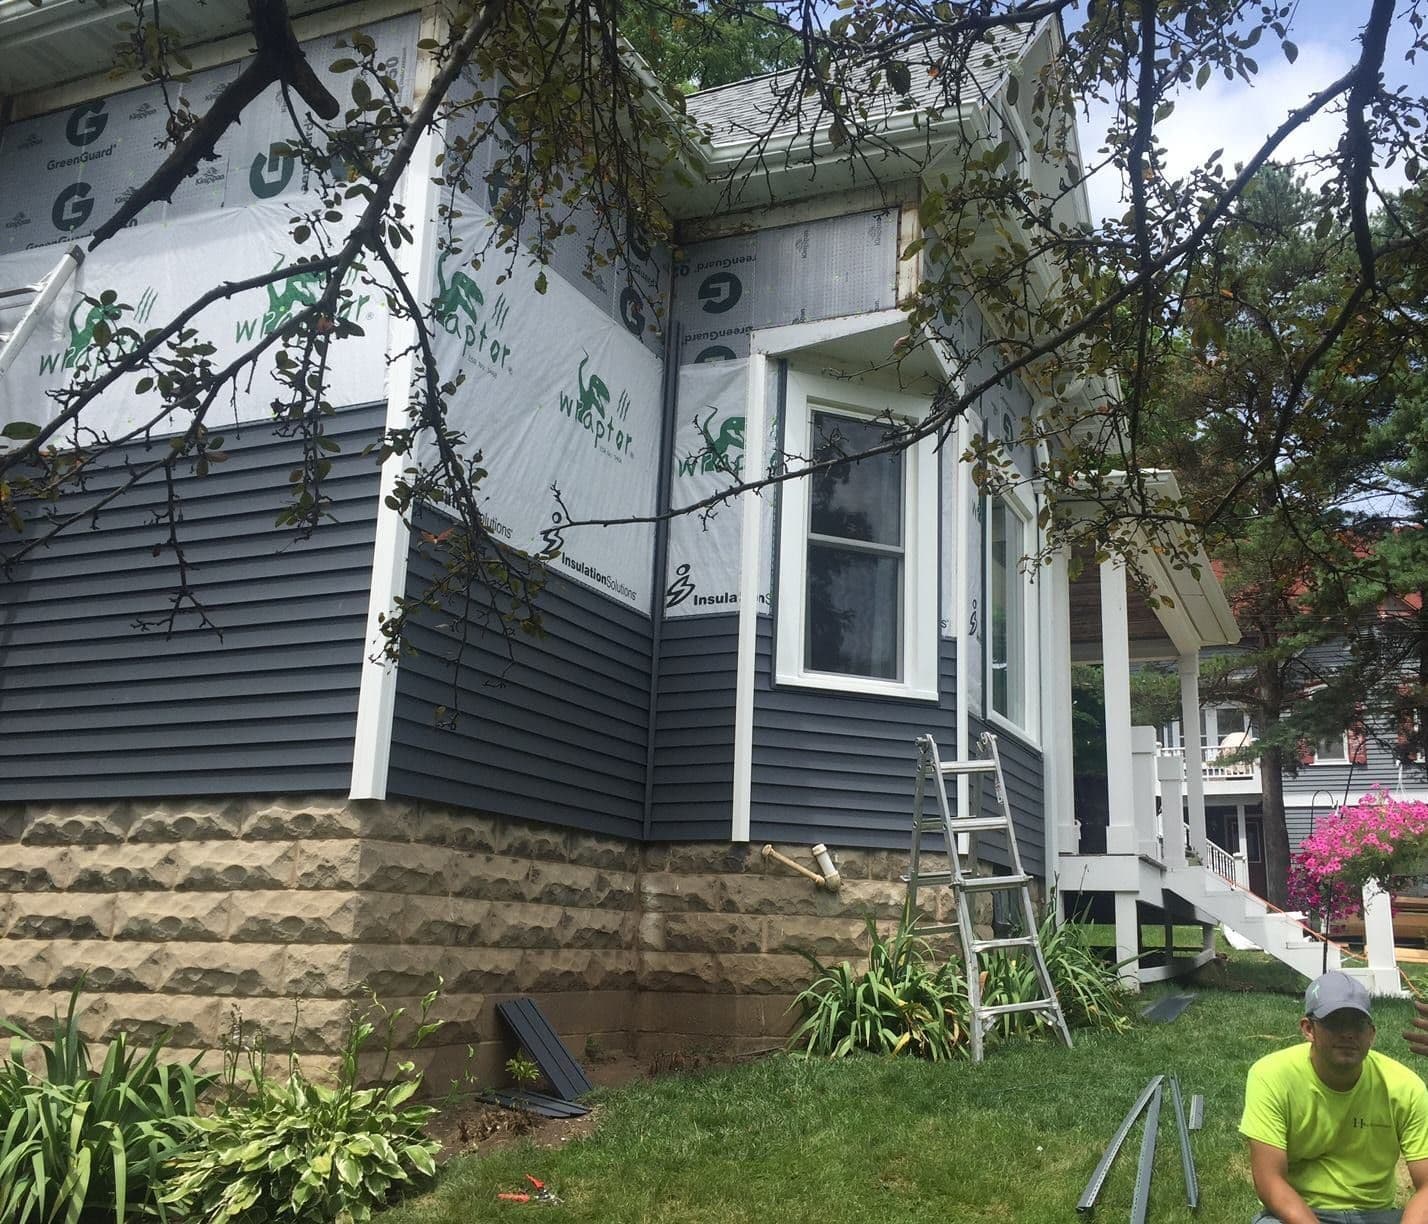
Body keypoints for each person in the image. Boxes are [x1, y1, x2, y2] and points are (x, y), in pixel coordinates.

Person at [1240, 970, 1428, 1224]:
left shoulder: (1405, 1087)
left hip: (1376, 1215)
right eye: (1336, 1022)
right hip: (1303, 1213)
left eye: (1358, 1024)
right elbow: (1270, 1181)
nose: (1348, 1033)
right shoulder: (1271, 1076)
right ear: (1308, 1029)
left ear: (1371, 1034)